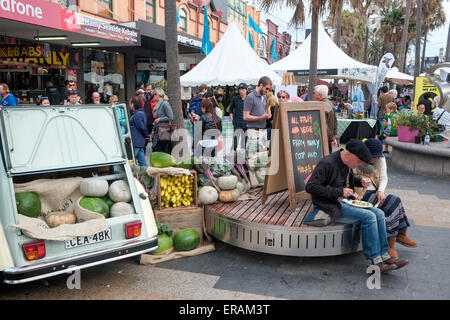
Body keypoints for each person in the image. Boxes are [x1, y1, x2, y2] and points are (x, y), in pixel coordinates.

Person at [304, 139, 409, 273]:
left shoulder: (345, 162)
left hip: (343, 201)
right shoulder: (327, 163)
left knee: (379, 213)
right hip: (329, 205)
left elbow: (346, 180)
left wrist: (360, 182)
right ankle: (376, 262)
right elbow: (311, 187)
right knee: (369, 217)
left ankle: (385, 256)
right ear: (349, 155)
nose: (359, 165)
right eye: (358, 161)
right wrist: (339, 191)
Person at [354, 138, 418, 259]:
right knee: (391, 204)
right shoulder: (357, 160)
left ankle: (399, 234)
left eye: (378, 156)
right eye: (374, 157)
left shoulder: (380, 159)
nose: (376, 159)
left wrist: (381, 191)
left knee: (395, 200)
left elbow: (384, 177)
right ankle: (391, 241)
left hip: (375, 191)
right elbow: (350, 181)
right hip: (361, 195)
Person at [314, 84, 338, 154]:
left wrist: (331, 138)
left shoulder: (323, 106)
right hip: (329, 137)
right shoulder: (329, 103)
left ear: (320, 95)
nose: (314, 95)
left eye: (315, 93)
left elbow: (324, 125)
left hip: (325, 138)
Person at [151, 88, 174, 154]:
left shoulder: (165, 104)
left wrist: (160, 119)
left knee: (163, 149)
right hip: (158, 130)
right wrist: (153, 130)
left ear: (158, 95)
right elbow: (156, 119)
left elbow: (171, 117)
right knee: (158, 148)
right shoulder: (159, 104)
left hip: (164, 130)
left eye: (154, 94)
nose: (153, 96)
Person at [130, 96, 150, 166]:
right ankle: (146, 175)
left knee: (131, 160)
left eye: (130, 103)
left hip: (136, 141)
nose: (130, 105)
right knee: (142, 162)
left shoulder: (137, 114)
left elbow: (142, 127)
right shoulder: (141, 113)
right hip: (140, 142)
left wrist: (147, 135)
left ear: (133, 104)